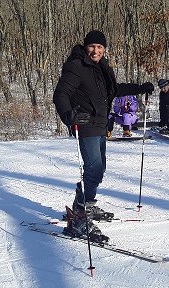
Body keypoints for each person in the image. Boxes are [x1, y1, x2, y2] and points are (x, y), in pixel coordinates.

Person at [53, 30, 154, 242]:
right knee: (93, 168)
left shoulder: (103, 67)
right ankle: (80, 216)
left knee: (99, 170)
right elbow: (61, 94)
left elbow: (113, 90)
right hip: (85, 123)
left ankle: (86, 204)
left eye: (100, 47)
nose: (96, 51)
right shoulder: (76, 66)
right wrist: (69, 115)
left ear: (104, 49)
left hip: (100, 124)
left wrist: (139, 88)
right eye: (92, 47)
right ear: (85, 47)